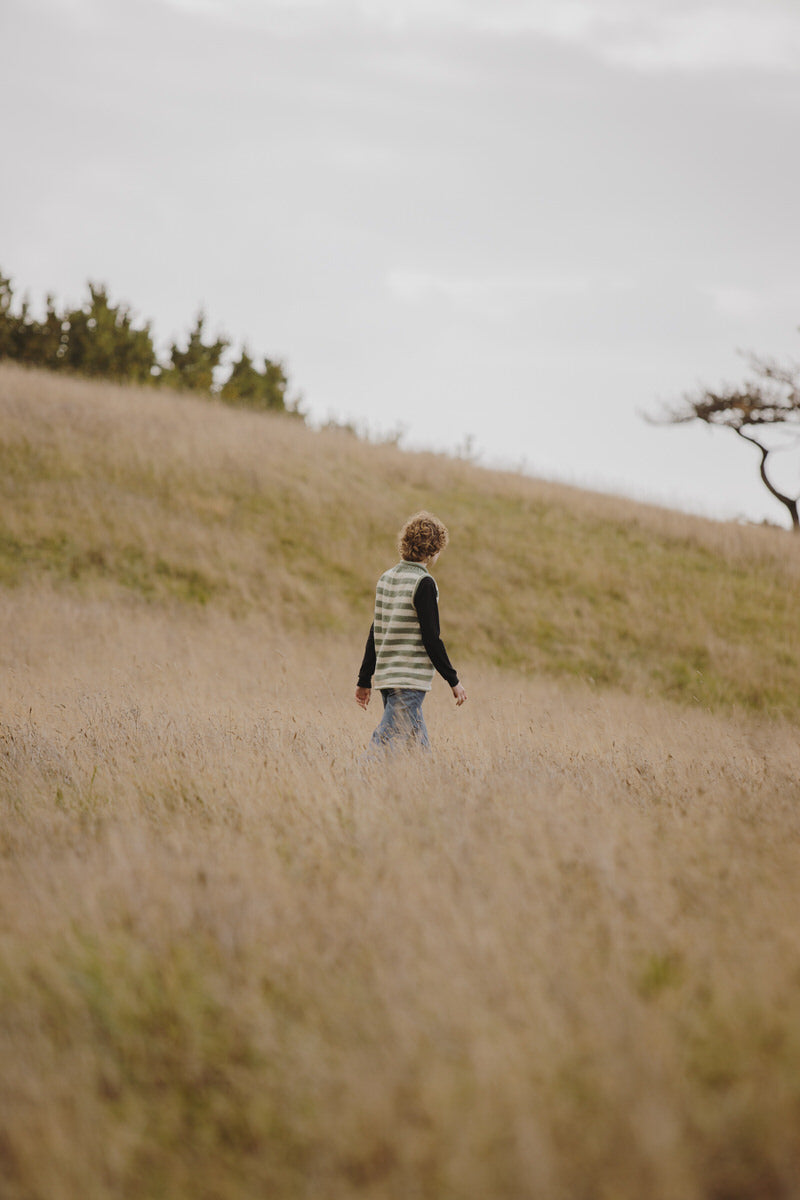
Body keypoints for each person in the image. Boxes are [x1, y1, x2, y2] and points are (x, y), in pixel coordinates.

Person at [355, 511, 467, 752]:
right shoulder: (424, 583)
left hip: (387, 678)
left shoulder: (386, 578)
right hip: (409, 680)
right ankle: (357, 779)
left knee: (417, 749)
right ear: (432, 551)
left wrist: (365, 679)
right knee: (382, 743)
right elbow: (431, 638)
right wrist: (453, 679)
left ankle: (424, 786)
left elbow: (376, 631)